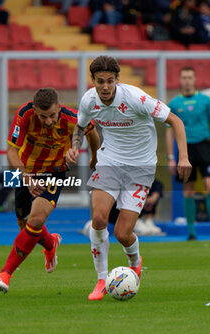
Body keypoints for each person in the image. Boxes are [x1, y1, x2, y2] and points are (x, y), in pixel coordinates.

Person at [66, 55, 192, 301]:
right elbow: (80, 126)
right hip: (110, 160)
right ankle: (101, 279)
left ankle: (135, 261)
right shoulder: (89, 100)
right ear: (93, 81)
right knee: (99, 218)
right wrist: (75, 146)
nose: (104, 87)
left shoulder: (136, 98)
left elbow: (175, 121)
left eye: (109, 81)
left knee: (124, 233)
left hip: (141, 167)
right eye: (99, 81)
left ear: (117, 80)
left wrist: (184, 157)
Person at [0, 87, 99, 294]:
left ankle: (5, 274)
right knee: (24, 225)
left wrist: (95, 157)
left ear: (59, 108)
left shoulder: (72, 118)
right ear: (34, 110)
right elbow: (11, 152)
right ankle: (51, 243)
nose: (49, 121)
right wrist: (26, 177)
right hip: (24, 171)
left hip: (54, 171)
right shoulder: (24, 114)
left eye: (52, 115)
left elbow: (92, 133)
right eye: (43, 117)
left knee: (36, 220)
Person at [166, 66, 210, 240]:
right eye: (184, 77)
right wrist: (170, 157)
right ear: (180, 79)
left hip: (204, 147)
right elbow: (169, 132)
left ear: (195, 79)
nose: (187, 80)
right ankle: (191, 231)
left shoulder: (205, 101)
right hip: (185, 150)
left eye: (189, 77)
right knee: (188, 190)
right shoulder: (174, 103)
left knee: (208, 185)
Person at [80, 179, 164, 237]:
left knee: (152, 192)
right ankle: (90, 225)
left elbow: (158, 185)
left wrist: (152, 198)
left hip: (136, 212)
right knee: (97, 227)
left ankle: (147, 221)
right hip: (115, 217)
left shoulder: (141, 176)